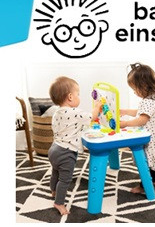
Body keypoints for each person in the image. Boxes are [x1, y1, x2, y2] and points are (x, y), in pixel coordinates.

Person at [48, 76, 101, 215]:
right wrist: (97, 106)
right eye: (78, 94)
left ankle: (53, 190)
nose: (79, 97)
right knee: (65, 179)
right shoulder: (74, 112)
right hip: (66, 152)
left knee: (55, 171)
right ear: (70, 97)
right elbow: (92, 117)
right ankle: (59, 203)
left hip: (54, 149)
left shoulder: (56, 112)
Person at [120, 63, 155, 193]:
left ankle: (145, 186)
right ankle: (153, 181)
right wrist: (125, 111)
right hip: (152, 136)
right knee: (149, 161)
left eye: (135, 89)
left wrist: (125, 123)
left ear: (144, 86)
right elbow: (140, 112)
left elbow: (142, 119)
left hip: (150, 138)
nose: (134, 92)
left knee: (146, 161)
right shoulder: (150, 99)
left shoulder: (148, 101)